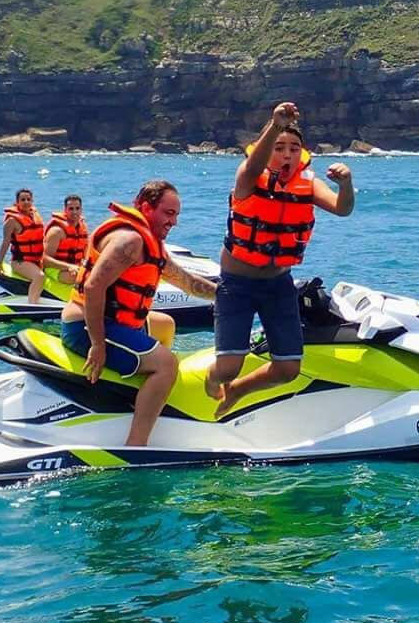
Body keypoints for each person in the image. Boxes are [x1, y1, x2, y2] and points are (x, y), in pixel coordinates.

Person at [204, 101, 354, 417]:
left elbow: (342, 209)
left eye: (294, 148)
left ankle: (238, 391)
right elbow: (255, 166)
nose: (287, 154)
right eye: (279, 147)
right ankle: (215, 377)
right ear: (267, 146)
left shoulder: (308, 183)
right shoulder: (248, 177)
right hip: (238, 284)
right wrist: (274, 125)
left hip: (278, 284)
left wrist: (346, 184)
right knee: (229, 367)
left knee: (288, 369)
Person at [60, 180, 218, 448]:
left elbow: (187, 282)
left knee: (165, 325)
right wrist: (98, 345)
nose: (174, 222)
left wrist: (228, 295)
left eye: (177, 215)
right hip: (86, 326)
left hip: (114, 322)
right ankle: (137, 443)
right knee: (167, 364)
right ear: (146, 207)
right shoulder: (130, 241)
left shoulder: (149, 242)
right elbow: (93, 286)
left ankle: (147, 392)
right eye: (169, 214)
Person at [0, 188, 46, 304]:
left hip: (37, 260)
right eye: (23, 199)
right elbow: (5, 242)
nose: (26, 202)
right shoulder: (12, 221)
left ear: (32, 201)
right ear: (17, 202)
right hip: (20, 262)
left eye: (29, 199)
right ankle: (32, 304)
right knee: (39, 276)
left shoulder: (35, 215)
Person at [42, 194, 88, 285]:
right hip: (54, 269)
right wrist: (69, 266)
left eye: (77, 208)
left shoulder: (82, 229)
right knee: (79, 277)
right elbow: (44, 260)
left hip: (75, 268)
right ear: (65, 210)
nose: (74, 212)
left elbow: (85, 254)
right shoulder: (56, 231)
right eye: (71, 209)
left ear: (81, 210)